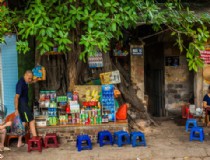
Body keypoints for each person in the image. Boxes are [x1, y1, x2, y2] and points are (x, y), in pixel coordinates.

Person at [14, 70, 37, 140]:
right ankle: (35, 140)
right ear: (25, 75)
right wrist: (16, 109)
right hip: (23, 106)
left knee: (24, 123)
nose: (30, 80)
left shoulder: (25, 81)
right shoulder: (20, 83)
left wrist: (34, 81)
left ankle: (19, 142)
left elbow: (29, 81)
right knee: (31, 121)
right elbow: (16, 97)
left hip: (24, 105)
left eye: (31, 78)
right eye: (29, 78)